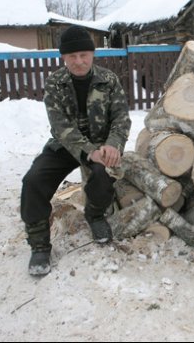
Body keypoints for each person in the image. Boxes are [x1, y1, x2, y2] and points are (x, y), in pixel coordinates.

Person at [21, 25, 131, 276]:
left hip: (102, 143)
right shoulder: (54, 83)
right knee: (33, 180)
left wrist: (113, 143)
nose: (79, 61)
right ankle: (39, 244)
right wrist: (88, 151)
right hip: (64, 146)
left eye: (84, 55)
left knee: (103, 176)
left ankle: (95, 215)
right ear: (63, 57)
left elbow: (121, 118)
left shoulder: (109, 80)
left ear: (92, 55)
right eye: (72, 56)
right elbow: (61, 127)